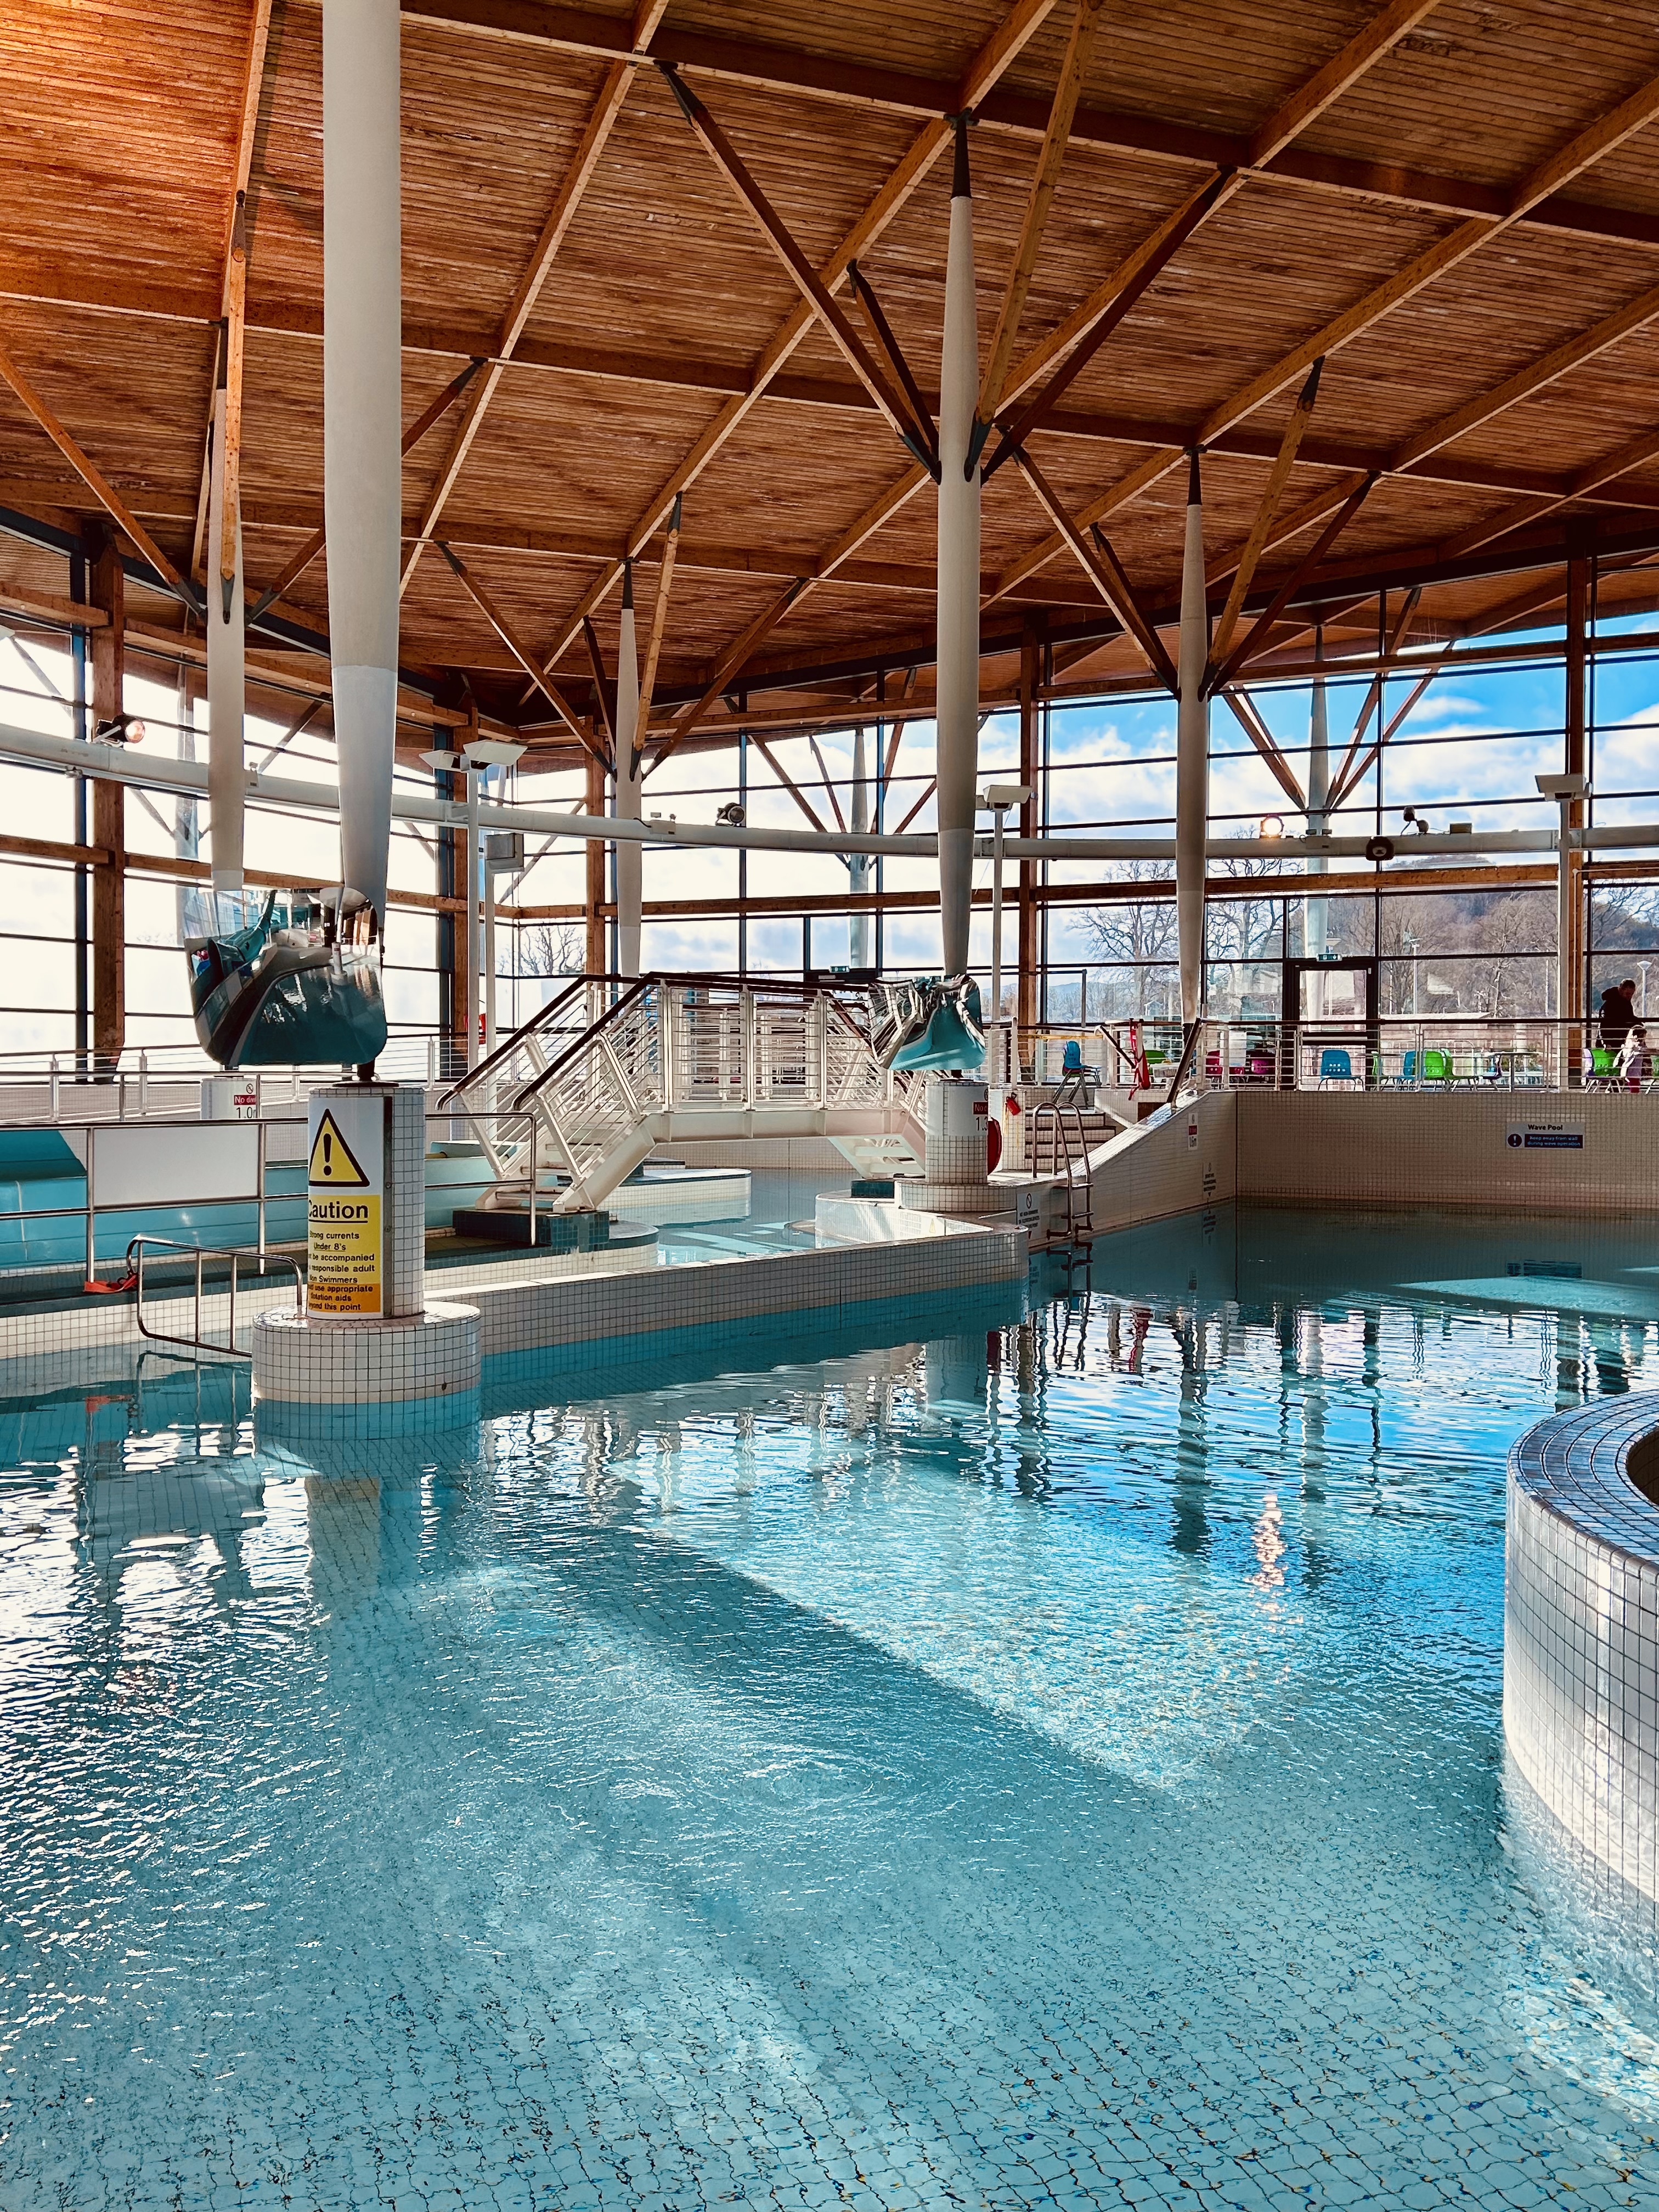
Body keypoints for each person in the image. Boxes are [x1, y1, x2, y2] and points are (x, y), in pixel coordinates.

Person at [1599, 984, 1634, 1053]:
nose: (1630, 996)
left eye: (1631, 994)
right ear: (1621, 991)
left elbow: (1629, 1019)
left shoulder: (1626, 1003)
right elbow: (1603, 1025)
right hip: (1610, 1044)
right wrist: (1605, 1042)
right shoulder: (1610, 1005)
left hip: (1620, 1042)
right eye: (1628, 994)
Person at [1620, 1020, 1649, 1092]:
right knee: (1635, 1090)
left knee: (1634, 1089)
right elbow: (1649, 1051)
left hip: (1629, 1072)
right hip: (1634, 1074)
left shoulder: (1629, 1046)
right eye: (1643, 1037)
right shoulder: (1638, 1047)